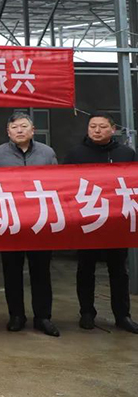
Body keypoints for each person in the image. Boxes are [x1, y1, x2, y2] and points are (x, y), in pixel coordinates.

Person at [64, 112, 138, 334]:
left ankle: (122, 315)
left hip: (116, 221)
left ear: (113, 129)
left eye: (102, 126)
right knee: (86, 268)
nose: (97, 130)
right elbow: (64, 186)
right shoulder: (76, 154)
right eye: (92, 126)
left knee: (119, 270)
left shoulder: (126, 154)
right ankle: (87, 312)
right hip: (87, 219)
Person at [0, 112, 60, 337]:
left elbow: (59, 184)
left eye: (23, 126)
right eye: (14, 127)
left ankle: (43, 317)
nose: (19, 130)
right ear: (8, 132)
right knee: (12, 272)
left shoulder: (47, 153)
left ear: (33, 130)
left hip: (40, 222)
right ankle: (16, 315)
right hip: (11, 222)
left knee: (41, 272)